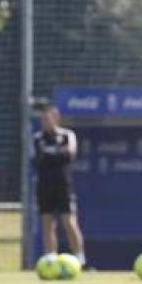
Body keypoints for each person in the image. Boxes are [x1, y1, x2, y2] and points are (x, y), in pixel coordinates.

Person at [33, 105, 86, 268]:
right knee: (48, 222)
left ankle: (80, 260)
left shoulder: (67, 135)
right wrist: (57, 153)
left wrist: (54, 153)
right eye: (42, 119)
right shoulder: (38, 137)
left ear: (56, 119)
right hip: (45, 185)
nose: (45, 122)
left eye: (48, 118)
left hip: (63, 185)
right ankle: (50, 259)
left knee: (69, 221)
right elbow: (41, 157)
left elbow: (69, 154)